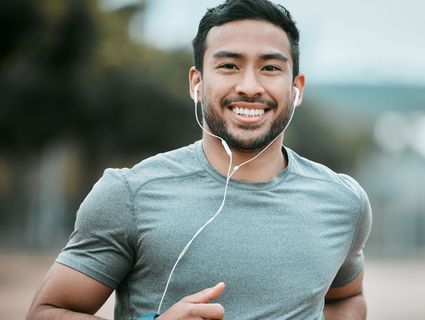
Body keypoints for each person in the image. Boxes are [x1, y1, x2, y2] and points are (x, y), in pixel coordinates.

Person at [27, 0, 372, 319]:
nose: (250, 86)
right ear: (196, 82)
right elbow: (46, 311)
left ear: (296, 87)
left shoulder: (343, 202)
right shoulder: (129, 194)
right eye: (228, 65)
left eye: (269, 67)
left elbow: (346, 297)